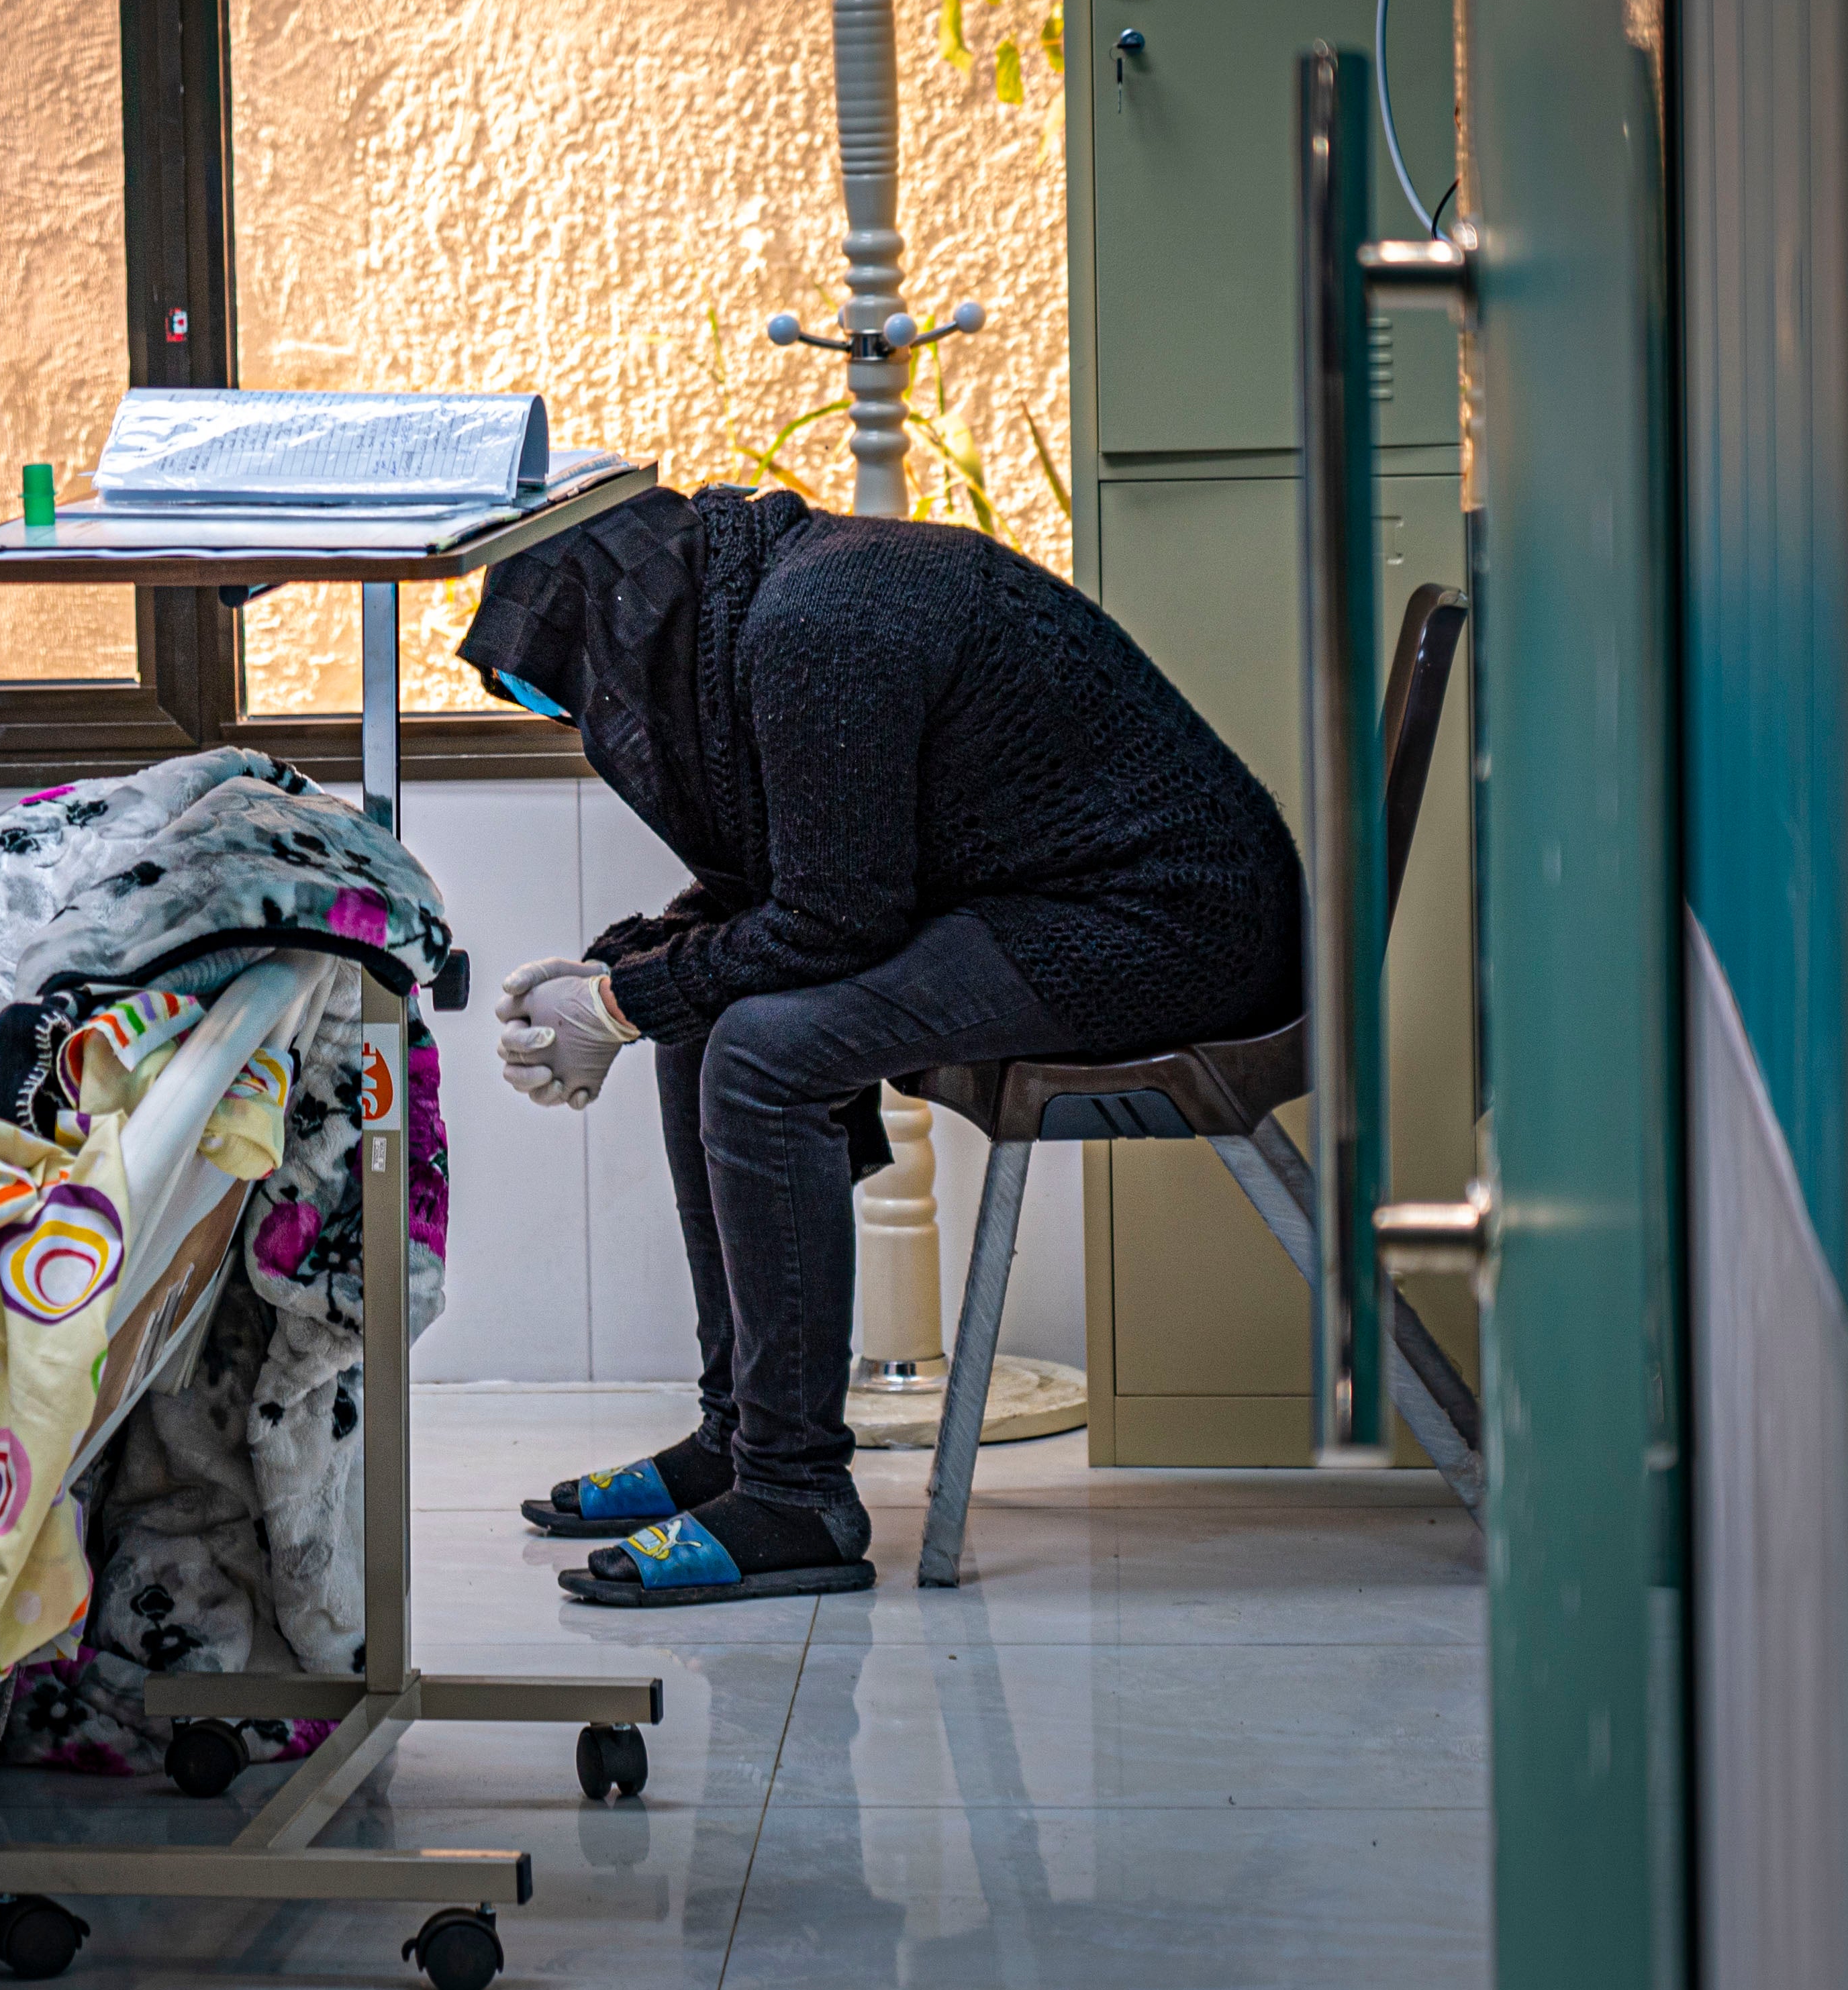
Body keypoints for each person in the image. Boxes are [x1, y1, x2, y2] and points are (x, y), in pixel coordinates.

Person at [462, 485, 1303, 1608]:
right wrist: (626, 980)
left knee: (763, 1053)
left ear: (634, 637)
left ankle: (796, 1497)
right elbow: (796, 876)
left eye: (591, 697)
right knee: (709, 1015)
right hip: (1069, 899)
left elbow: (831, 917)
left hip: (1166, 928)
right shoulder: (770, 596)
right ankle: (741, 1441)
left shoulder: (821, 628)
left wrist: (614, 1008)